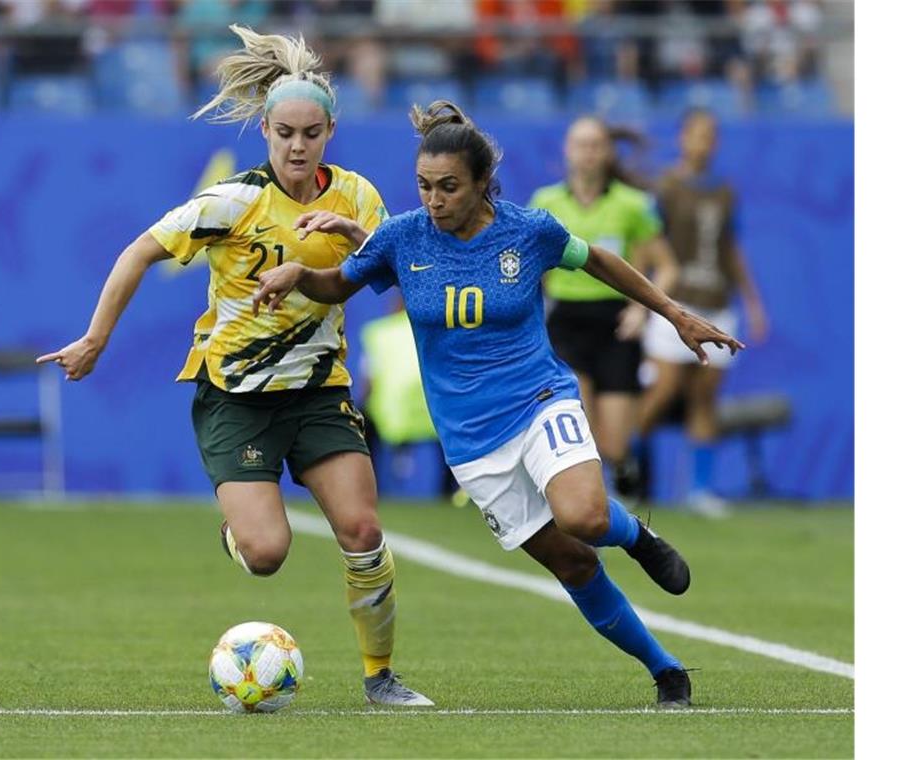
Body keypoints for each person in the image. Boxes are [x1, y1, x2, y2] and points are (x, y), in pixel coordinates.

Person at [252, 100, 745, 708]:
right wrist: (299, 272)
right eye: (425, 187)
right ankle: (667, 669)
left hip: (538, 398)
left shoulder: (527, 230)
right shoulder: (403, 237)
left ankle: (635, 536)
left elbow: (601, 262)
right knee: (573, 565)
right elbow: (339, 283)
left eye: (449, 188)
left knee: (585, 517)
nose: (434, 201)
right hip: (471, 440)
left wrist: (672, 312)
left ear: (483, 183)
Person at [36, 25, 432, 707]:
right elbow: (139, 251)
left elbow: (399, 273)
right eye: (285, 133)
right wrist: (96, 339)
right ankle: (238, 533)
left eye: (310, 133)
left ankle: (381, 677)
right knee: (267, 555)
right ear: (266, 131)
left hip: (317, 391)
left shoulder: (360, 198)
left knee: (364, 532)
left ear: (330, 131)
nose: (297, 146)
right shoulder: (234, 201)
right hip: (236, 397)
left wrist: (356, 239)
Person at [529, 116, 678, 500]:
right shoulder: (546, 203)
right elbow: (529, 267)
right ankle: (589, 510)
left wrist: (641, 311)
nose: (588, 152)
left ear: (608, 152)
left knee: (613, 444)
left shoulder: (632, 206)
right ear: (567, 150)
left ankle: (624, 475)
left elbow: (666, 266)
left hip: (615, 324)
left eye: (596, 144)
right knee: (581, 432)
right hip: (566, 322)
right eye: (581, 144)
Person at [637, 108, 768, 516]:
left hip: (717, 304)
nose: (704, 141)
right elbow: (645, 245)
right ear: (682, 138)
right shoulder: (665, 187)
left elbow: (731, 249)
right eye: (697, 133)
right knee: (664, 389)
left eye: (711, 134)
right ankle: (626, 476)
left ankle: (699, 490)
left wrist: (752, 301)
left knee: (704, 397)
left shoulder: (725, 191)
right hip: (673, 305)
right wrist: (639, 299)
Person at [358, 294, 459, 503]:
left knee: (362, 423)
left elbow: (369, 381)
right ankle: (449, 494)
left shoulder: (379, 332)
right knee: (452, 435)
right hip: (434, 413)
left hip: (390, 415)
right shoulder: (440, 331)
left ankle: (370, 492)